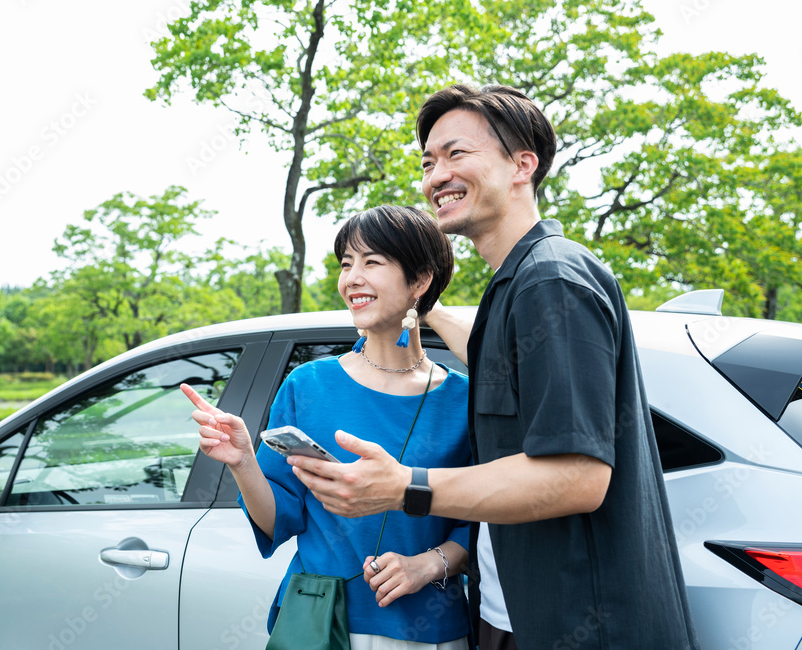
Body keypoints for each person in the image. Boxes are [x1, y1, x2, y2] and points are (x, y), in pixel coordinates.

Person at [288, 85, 700, 650]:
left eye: (457, 154)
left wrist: (404, 485)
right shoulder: (517, 285)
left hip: (579, 626)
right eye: (429, 162)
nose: (437, 176)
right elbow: (499, 363)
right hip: (511, 614)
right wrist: (417, 302)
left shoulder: (551, 282)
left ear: (522, 165)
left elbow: (577, 477)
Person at [182, 205, 473, 649]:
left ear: (420, 281)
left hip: (429, 629)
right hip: (321, 624)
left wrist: (428, 565)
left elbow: (485, 520)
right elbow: (279, 518)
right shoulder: (308, 385)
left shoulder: (462, 398)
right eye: (346, 263)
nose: (352, 277)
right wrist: (242, 463)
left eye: (372, 262)